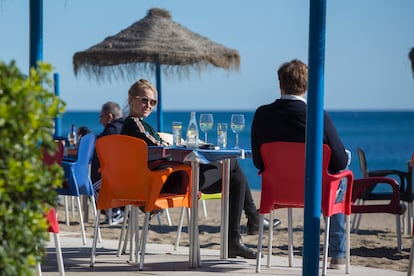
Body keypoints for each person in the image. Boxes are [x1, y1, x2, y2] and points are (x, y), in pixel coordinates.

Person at [121, 79, 281, 259]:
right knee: (233, 165)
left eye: (153, 102)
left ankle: (241, 233)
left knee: (236, 179)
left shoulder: (133, 126)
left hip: (166, 180)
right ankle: (248, 225)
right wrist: (181, 146)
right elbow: (159, 147)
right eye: (144, 100)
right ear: (131, 99)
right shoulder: (133, 124)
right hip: (169, 183)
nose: (149, 105)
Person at [251, 59, 350, 269]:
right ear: (307, 87)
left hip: (278, 191)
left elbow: (258, 161)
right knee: (342, 175)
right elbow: (340, 160)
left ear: (280, 84)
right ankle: (337, 255)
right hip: (316, 192)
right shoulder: (317, 115)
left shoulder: (262, 115)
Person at [91, 101, 125, 225]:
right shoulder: (127, 127)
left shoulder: (110, 131)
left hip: (115, 180)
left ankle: (115, 211)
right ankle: (120, 210)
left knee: (92, 185)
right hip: (132, 179)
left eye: (101, 117)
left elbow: (97, 147)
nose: (100, 121)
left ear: (109, 117)